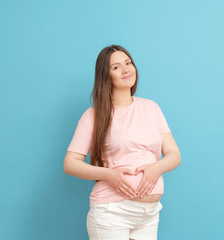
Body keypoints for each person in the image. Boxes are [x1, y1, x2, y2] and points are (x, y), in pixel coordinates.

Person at [63, 44, 181, 240]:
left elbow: (174, 155)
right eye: (116, 67)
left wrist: (156, 168)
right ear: (105, 76)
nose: (126, 69)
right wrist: (109, 175)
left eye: (128, 63)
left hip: (148, 215)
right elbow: (70, 164)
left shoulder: (151, 108)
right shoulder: (93, 116)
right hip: (111, 212)